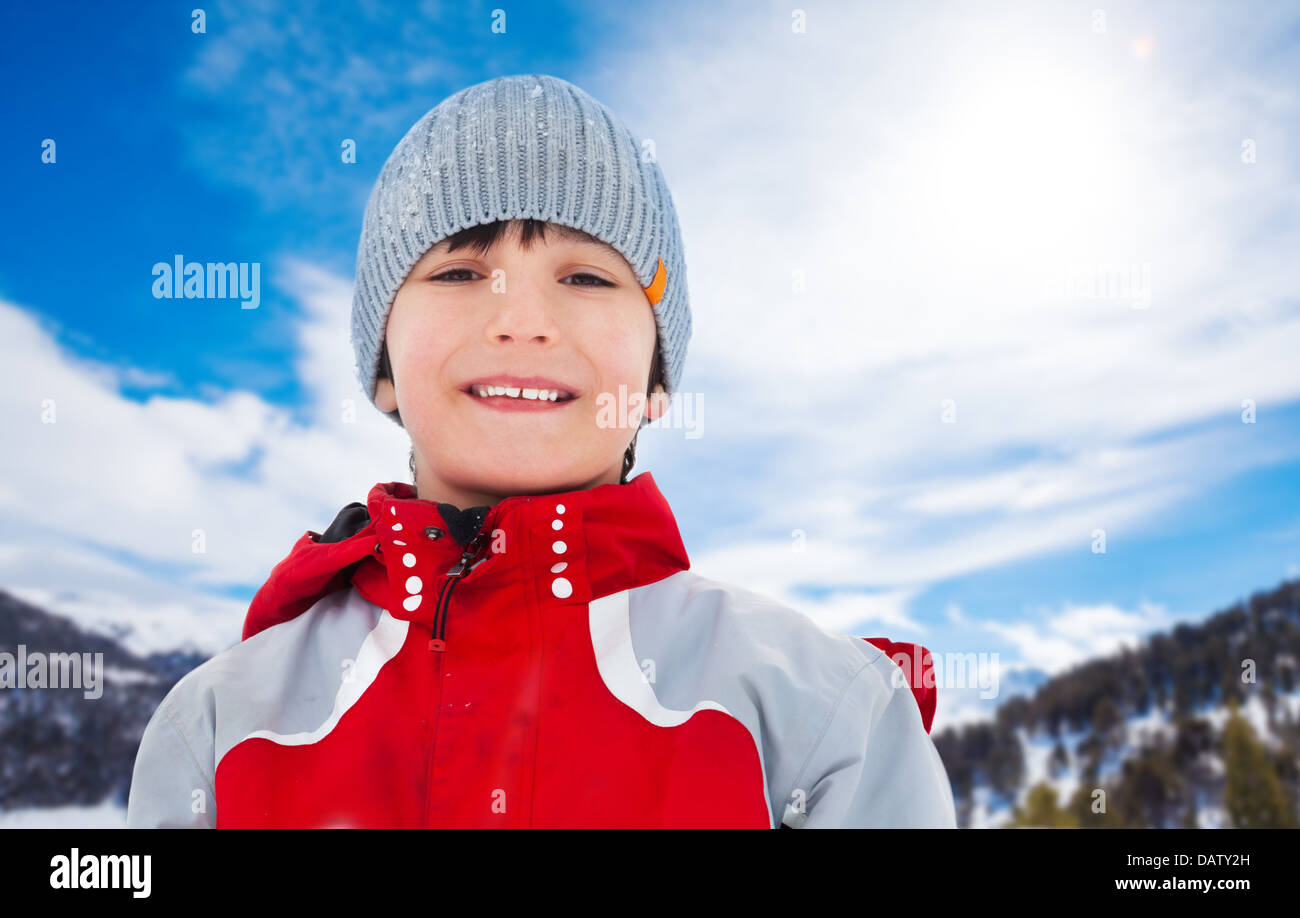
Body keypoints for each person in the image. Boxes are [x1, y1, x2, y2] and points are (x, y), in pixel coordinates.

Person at [126, 73, 957, 828]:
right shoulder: (219, 729)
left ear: (657, 380)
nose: (522, 321)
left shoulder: (822, 718)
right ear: (382, 371)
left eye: (587, 277)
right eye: (458, 273)